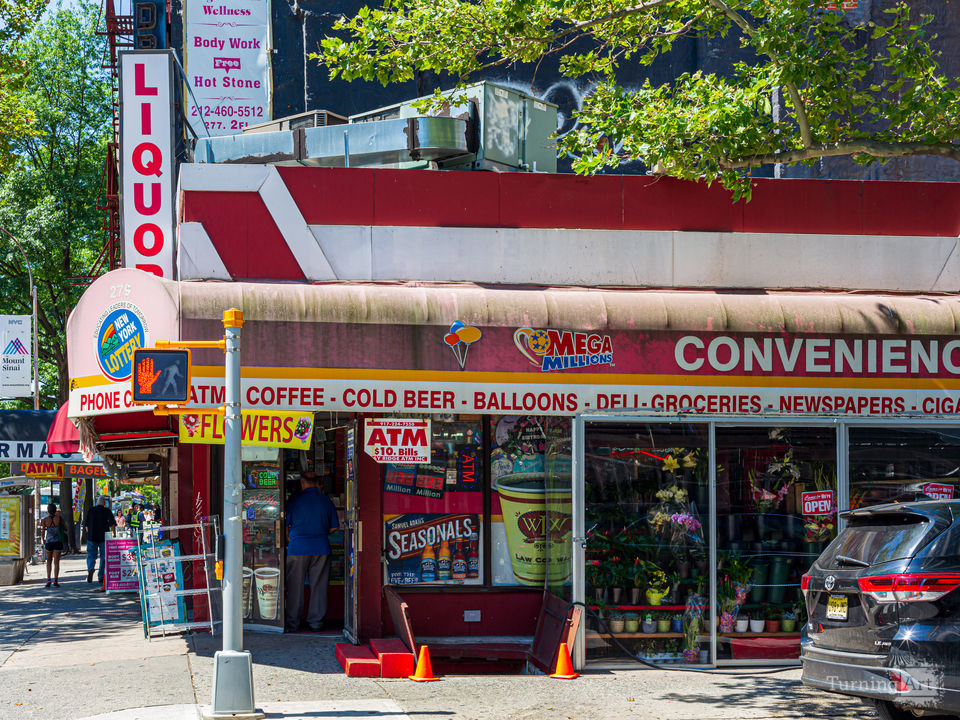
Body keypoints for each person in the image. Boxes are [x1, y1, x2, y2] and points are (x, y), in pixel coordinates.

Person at [284, 471, 339, 633]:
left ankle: (292, 623)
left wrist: (291, 538)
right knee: (319, 587)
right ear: (318, 483)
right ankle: (316, 622)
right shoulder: (326, 501)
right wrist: (320, 534)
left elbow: (286, 525)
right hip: (320, 547)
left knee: (295, 587)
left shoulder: (294, 501)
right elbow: (335, 526)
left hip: (297, 548)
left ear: (302, 482)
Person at [83, 497, 117, 587]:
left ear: (97, 503)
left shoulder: (91, 510)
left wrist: (89, 532)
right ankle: (101, 576)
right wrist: (114, 535)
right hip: (103, 537)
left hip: (91, 537)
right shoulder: (107, 511)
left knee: (91, 555)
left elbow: (86, 525)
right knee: (103, 557)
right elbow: (112, 524)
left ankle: (90, 569)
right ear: (104, 503)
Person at [41, 504, 65, 587]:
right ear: (55, 510)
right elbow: (66, 529)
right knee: (56, 562)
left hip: (49, 542)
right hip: (58, 542)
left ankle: (48, 579)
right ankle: (55, 581)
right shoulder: (60, 519)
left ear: (48, 511)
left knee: (49, 561)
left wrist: (43, 540)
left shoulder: (45, 520)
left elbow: (43, 531)